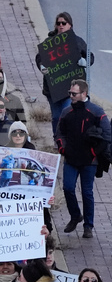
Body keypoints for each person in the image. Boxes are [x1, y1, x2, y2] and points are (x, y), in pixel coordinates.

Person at [57, 79, 110, 239]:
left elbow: (107, 134)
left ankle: (88, 226)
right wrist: (63, 149)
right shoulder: (67, 112)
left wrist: (95, 152)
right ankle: (75, 216)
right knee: (67, 188)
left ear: (84, 94)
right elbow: (59, 133)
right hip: (71, 158)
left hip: (90, 160)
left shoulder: (97, 111)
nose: (71, 96)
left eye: (74, 94)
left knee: (87, 192)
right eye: (70, 93)